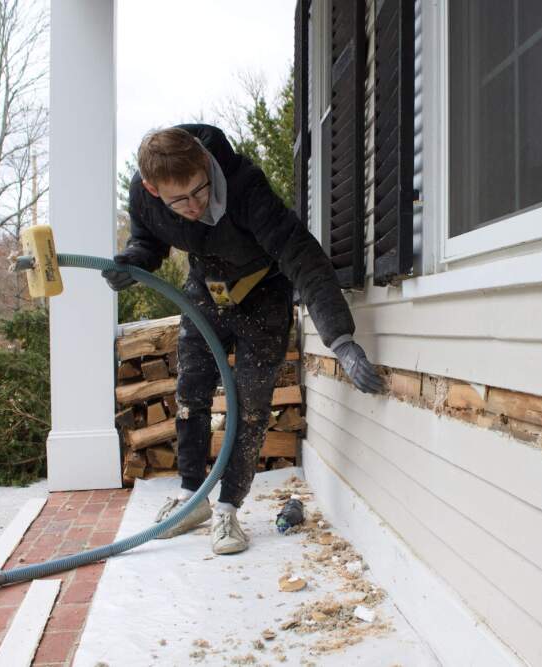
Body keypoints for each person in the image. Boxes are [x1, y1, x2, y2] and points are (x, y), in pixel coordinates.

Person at [103, 124, 383, 555]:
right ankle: (192, 498)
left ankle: (228, 511)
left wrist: (341, 339)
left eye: (200, 189)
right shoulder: (145, 199)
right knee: (190, 395)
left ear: (204, 161)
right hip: (206, 289)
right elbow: (148, 241)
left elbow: (302, 257)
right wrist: (131, 263)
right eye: (180, 199)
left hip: (263, 293)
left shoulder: (244, 187)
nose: (195, 205)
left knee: (250, 407)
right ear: (152, 189)